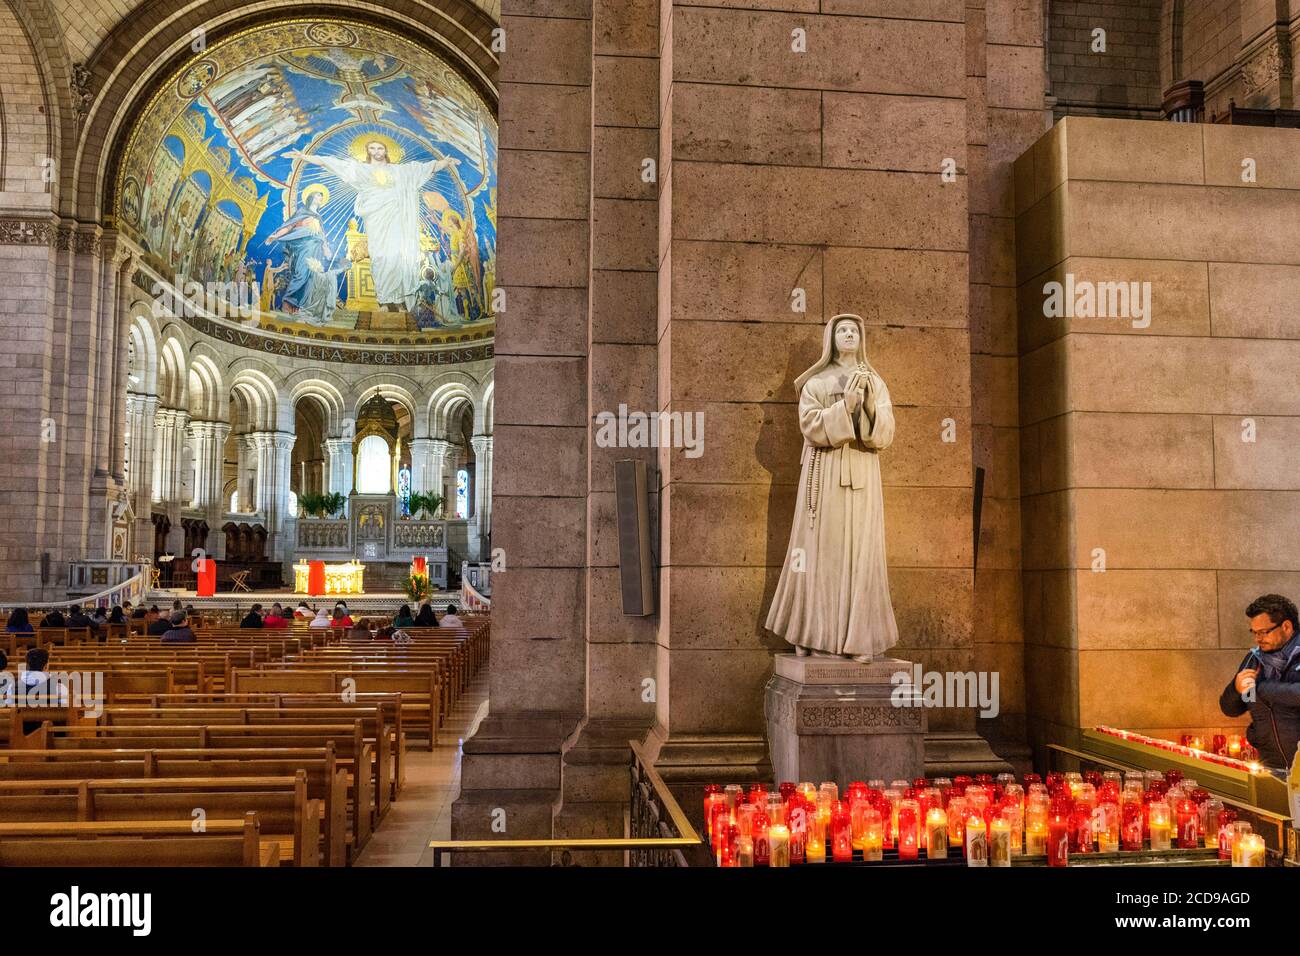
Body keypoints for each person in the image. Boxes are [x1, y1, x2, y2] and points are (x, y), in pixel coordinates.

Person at [765, 314, 899, 663]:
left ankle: (860, 639)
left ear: (862, 338)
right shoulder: (816, 383)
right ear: (832, 338)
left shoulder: (875, 381)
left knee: (862, 554)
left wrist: (866, 403)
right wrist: (846, 406)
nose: (849, 334)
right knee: (822, 552)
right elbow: (810, 425)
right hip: (824, 474)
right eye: (842, 330)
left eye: (854, 330)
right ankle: (815, 636)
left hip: (862, 474)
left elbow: (884, 431)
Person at [1221, 593, 1300, 771]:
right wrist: (1236, 689)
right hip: (1270, 765)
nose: (1258, 638)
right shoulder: (1255, 660)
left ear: (1286, 627)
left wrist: (1261, 688)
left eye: (1263, 632)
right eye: (1254, 633)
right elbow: (1231, 709)